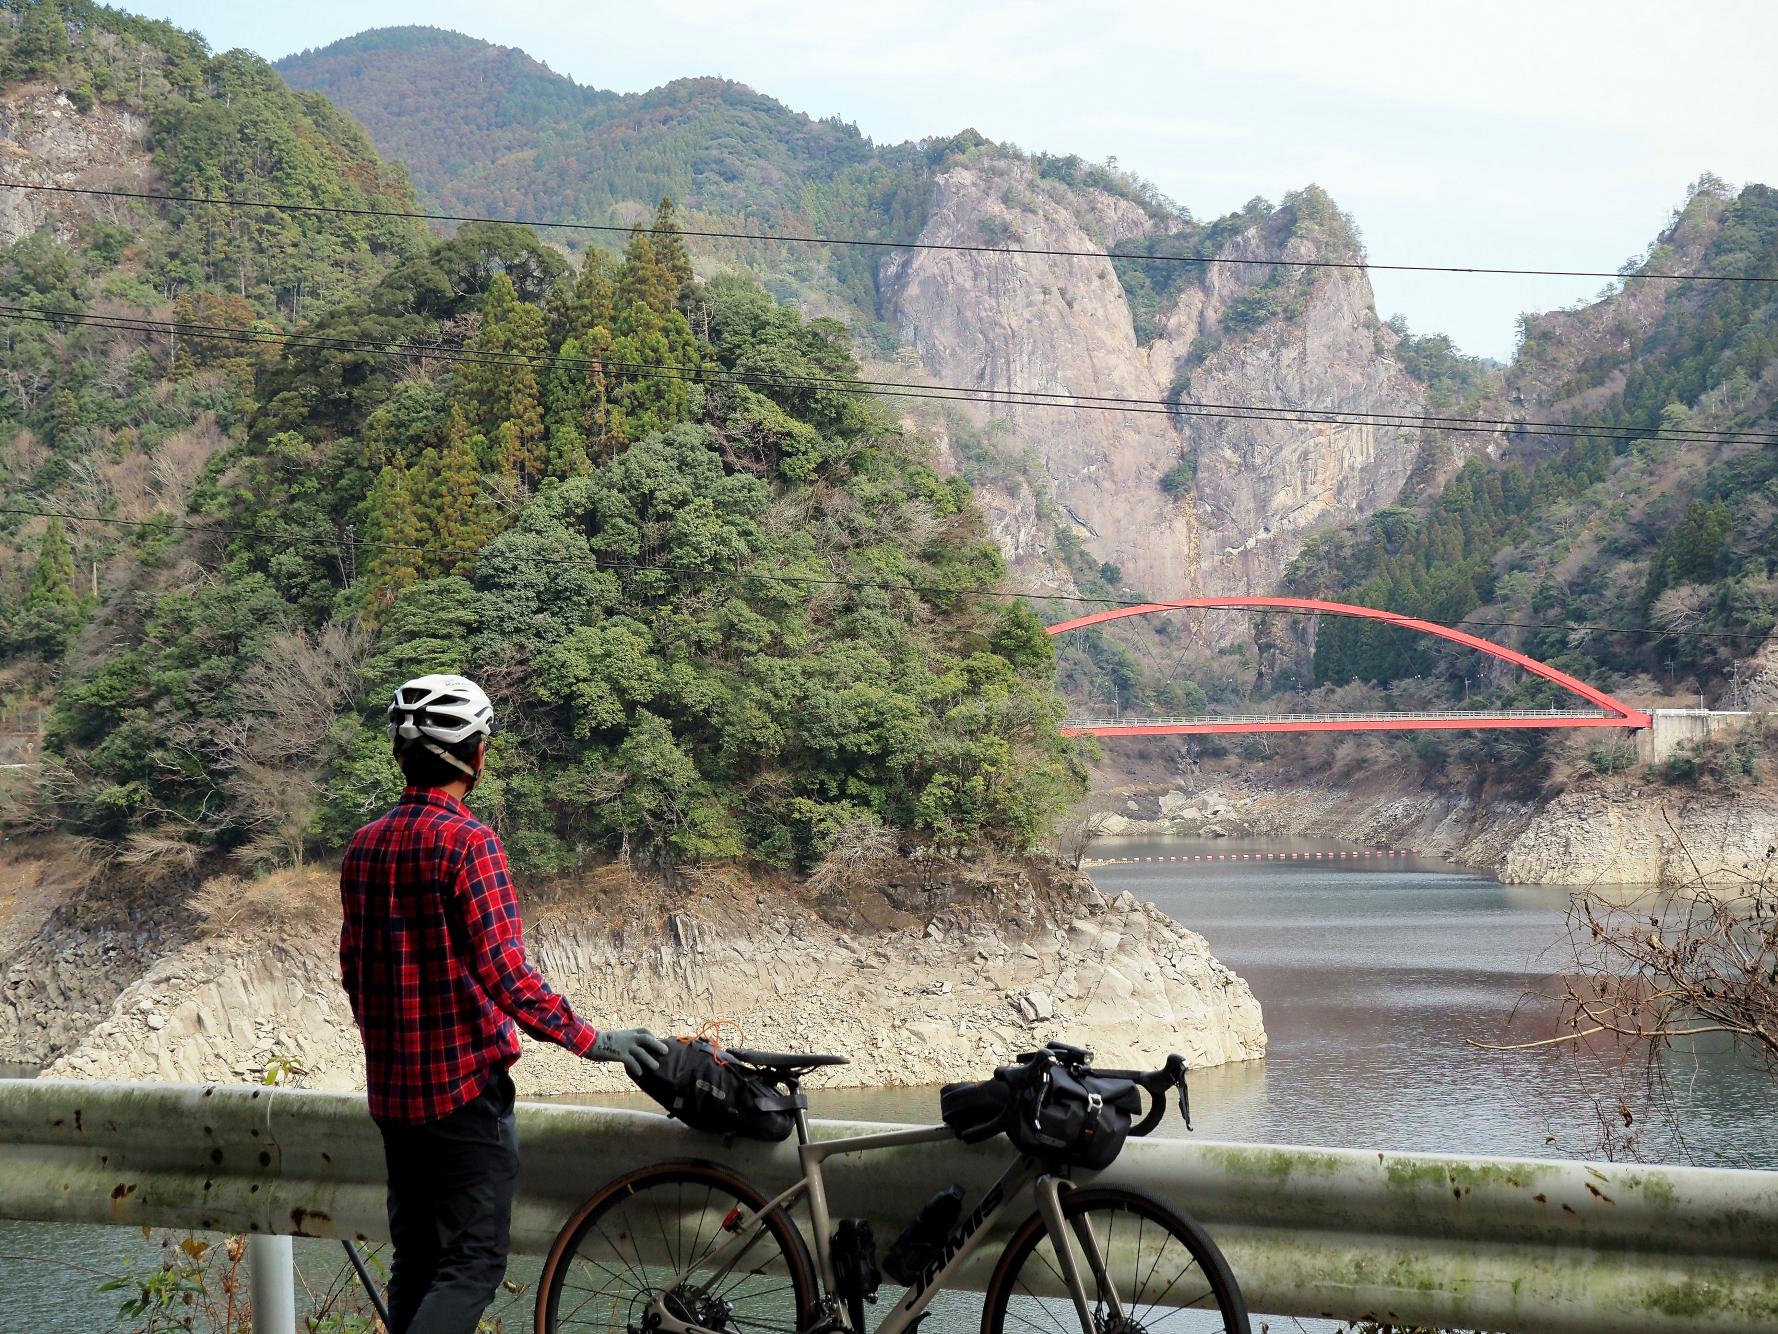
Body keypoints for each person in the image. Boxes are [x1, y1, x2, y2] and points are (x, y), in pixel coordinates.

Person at [340, 673, 669, 1334]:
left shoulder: (364, 845)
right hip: (463, 1099)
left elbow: (355, 971)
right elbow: (506, 973)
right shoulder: (469, 844)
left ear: (399, 754)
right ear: (476, 756)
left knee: (417, 1262)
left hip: (395, 1103)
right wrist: (592, 1039)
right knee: (472, 1264)